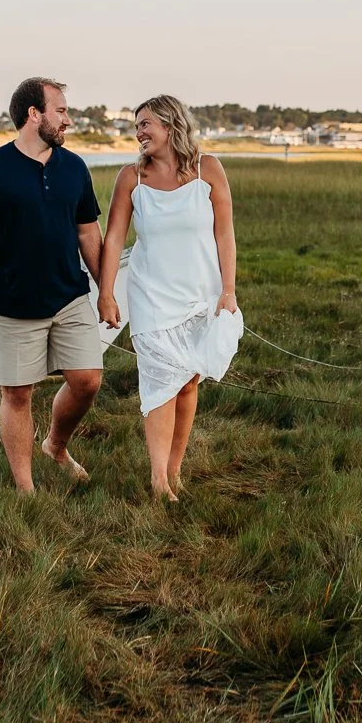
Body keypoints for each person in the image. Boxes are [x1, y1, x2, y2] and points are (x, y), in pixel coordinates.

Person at [0, 77, 104, 494]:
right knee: (18, 395)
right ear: (34, 115)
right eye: (61, 111)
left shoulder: (73, 167)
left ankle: (55, 445)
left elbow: (88, 232)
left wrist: (104, 290)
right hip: (14, 303)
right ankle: (26, 490)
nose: (68, 120)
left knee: (88, 380)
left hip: (69, 296)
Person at [97, 95, 241, 502]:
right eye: (136, 126)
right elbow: (114, 240)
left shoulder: (208, 168)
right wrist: (107, 293)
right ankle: (159, 480)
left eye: (145, 124)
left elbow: (224, 234)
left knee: (188, 382)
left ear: (169, 123)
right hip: (151, 297)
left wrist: (227, 291)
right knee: (161, 382)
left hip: (200, 295)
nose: (138, 132)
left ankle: (175, 472)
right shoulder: (131, 179)